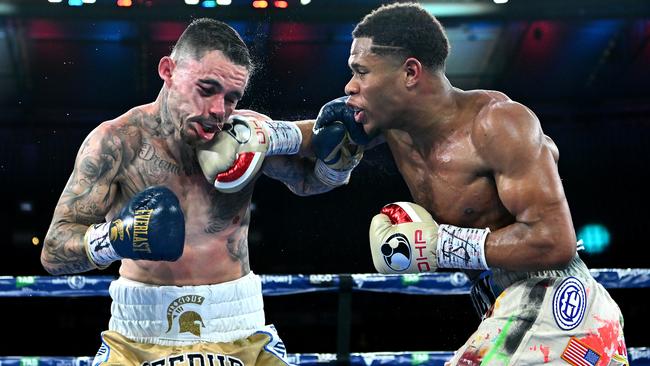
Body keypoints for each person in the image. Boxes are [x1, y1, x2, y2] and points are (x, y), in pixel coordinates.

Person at [316, 3, 628, 365]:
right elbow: (315, 137)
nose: (349, 85)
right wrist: (263, 135)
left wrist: (440, 246)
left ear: (410, 72)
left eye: (361, 71)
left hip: (557, 303)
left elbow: (554, 241)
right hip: (505, 306)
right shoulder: (390, 126)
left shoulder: (498, 124)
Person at [41, 18, 358, 365]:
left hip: (240, 329)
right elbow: (54, 251)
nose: (219, 112)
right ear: (168, 71)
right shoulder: (117, 142)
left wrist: (340, 158)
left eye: (232, 98)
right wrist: (115, 239)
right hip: (138, 336)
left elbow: (310, 180)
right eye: (207, 89)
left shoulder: (245, 134)